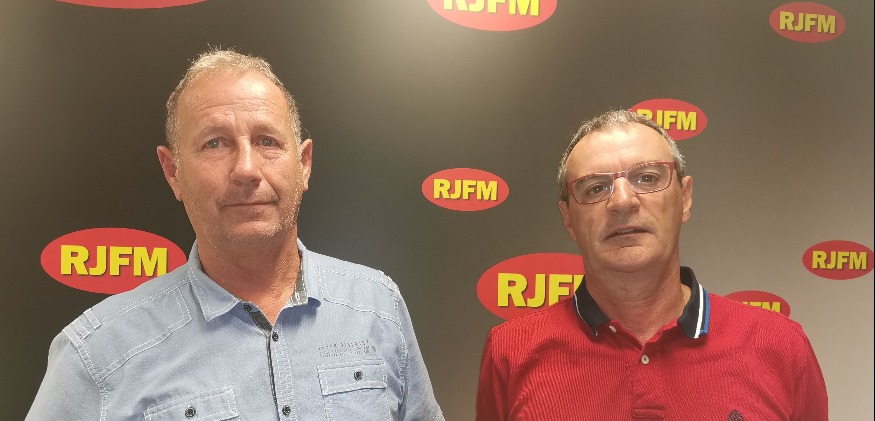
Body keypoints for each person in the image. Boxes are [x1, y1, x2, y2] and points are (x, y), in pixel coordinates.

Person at [27, 48, 443, 420]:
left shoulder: (377, 307)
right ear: (173, 172)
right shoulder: (97, 356)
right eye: (215, 143)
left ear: (304, 164)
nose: (246, 169)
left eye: (267, 141)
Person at [475, 110, 828, 420]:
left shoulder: (781, 346)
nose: (622, 201)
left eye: (647, 178)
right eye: (595, 188)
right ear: (569, 219)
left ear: (684, 198)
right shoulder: (511, 352)